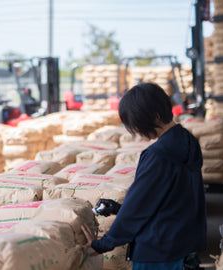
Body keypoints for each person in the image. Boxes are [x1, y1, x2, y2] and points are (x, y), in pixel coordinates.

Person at [82, 82, 207, 270]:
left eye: (137, 124)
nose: (137, 132)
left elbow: (138, 205)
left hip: (157, 251)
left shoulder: (158, 155)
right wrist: (118, 208)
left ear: (155, 117)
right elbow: (168, 197)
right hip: (182, 245)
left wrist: (104, 243)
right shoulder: (187, 141)